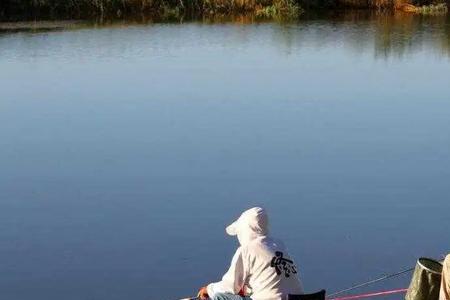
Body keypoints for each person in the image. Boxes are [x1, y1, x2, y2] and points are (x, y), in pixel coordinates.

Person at [197, 207, 304, 300]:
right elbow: (270, 280)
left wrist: (208, 289)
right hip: (299, 298)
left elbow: (230, 286)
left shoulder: (246, 250)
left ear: (245, 230)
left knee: (219, 296)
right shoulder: (279, 245)